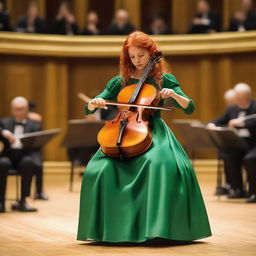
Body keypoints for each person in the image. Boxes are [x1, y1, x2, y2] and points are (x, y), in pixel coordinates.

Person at [77, 31, 211, 243]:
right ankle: (110, 230)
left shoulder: (163, 79)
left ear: (151, 53)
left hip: (153, 130)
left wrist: (173, 95)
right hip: (122, 129)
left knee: (159, 164)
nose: (136, 61)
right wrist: (95, 103)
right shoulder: (118, 82)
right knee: (98, 169)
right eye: (132, 57)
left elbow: (189, 107)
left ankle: (157, 228)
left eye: (141, 55)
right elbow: (92, 104)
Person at [208, 83, 256, 203]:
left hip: (253, 143)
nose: (239, 99)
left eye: (241, 97)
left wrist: (243, 123)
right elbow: (218, 121)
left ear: (248, 96)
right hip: (238, 143)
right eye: (237, 97)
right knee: (228, 155)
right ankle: (237, 189)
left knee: (250, 159)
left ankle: (253, 192)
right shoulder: (232, 109)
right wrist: (212, 124)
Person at [0, 97, 46, 213]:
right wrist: (3, 132)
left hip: (24, 155)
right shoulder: (5, 122)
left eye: (22, 109)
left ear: (27, 110)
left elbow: (38, 145)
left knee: (28, 163)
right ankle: (1, 203)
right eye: (16, 109)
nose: (19, 112)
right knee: (2, 163)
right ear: (12, 110)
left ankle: (23, 201)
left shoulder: (34, 125)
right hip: (8, 155)